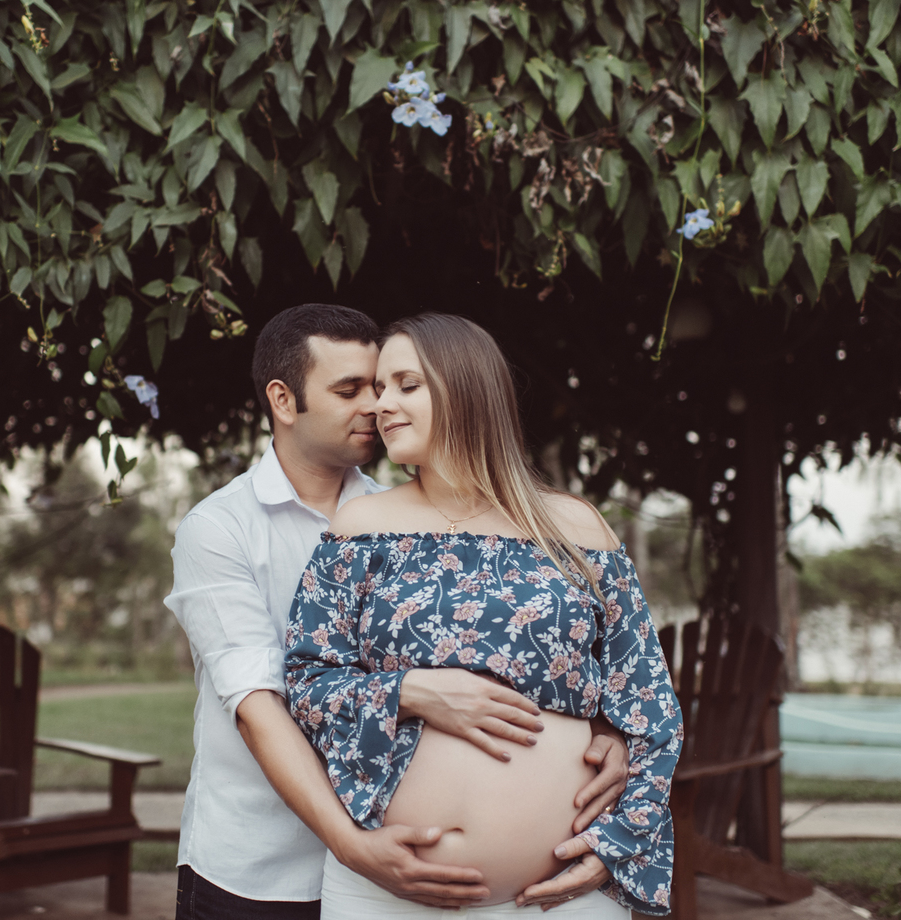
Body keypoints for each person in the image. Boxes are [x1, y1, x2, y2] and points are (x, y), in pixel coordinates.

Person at [165, 304, 632, 919]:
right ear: (283, 400)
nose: (376, 405)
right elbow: (259, 706)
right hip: (266, 860)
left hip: (407, 850)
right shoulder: (219, 528)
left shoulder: (412, 519)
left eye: (387, 386)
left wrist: (606, 734)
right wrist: (353, 842)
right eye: (352, 389)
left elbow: (573, 662)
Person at [284, 313, 683, 918]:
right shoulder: (360, 529)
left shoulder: (574, 529)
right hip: (389, 890)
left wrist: (620, 842)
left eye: (405, 385)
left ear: (466, 389)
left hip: (561, 896)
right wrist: (406, 691)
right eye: (377, 388)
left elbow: (649, 704)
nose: (380, 405)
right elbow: (307, 684)